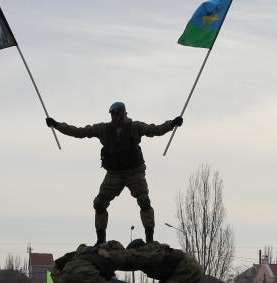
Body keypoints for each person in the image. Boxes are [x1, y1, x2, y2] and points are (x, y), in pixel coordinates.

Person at [46, 102, 181, 244]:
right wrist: (56, 125)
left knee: (144, 200)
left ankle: (149, 239)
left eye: (117, 114)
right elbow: (80, 132)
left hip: (134, 172)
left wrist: (172, 124)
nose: (115, 117)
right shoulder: (104, 129)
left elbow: (155, 130)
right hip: (114, 174)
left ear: (124, 114)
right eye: (112, 114)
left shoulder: (135, 127)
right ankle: (101, 239)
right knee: (99, 203)